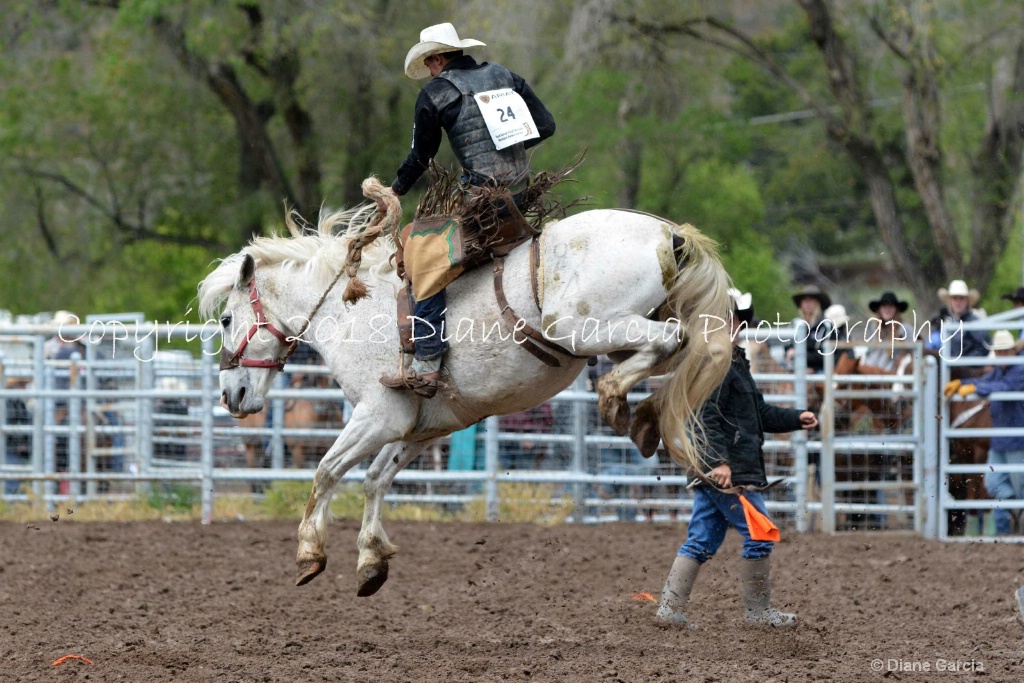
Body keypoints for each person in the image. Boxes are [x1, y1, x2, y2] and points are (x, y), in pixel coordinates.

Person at [380, 23, 556, 398]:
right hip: (523, 193)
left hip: (485, 202)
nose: (430, 71)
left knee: (424, 257)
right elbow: (546, 125)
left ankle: (426, 362)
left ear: (438, 58)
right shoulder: (506, 76)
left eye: (430, 63)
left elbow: (420, 157)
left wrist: (395, 190)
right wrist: (508, 144)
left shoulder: (436, 93)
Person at [657, 294, 818, 628]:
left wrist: (794, 418)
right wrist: (719, 462)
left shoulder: (730, 361)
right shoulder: (718, 362)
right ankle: (757, 613)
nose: (734, 325)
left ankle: (669, 610)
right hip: (729, 472)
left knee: (701, 540)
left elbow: (757, 414)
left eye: (734, 320)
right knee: (760, 534)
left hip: (720, 469)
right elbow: (704, 415)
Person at [944, 330, 1024, 535]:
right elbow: (987, 381)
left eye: (1006, 351)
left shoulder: (1019, 370)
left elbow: (1004, 387)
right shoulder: (1000, 370)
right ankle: (1012, 518)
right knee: (992, 483)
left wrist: (974, 388)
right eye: (999, 352)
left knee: (1017, 487)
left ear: (1014, 351)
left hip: (1016, 439)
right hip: (1001, 440)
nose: (1002, 355)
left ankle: (1014, 515)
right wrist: (962, 384)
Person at [926, 279, 990, 358]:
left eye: (961, 298)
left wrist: (965, 362)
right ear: (950, 301)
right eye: (955, 298)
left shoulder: (974, 322)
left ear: (967, 301)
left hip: (968, 367)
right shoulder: (951, 322)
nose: (958, 302)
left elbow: (985, 347)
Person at [784, 284, 831, 372]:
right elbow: (787, 347)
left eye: (811, 300)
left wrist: (799, 354)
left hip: (818, 371)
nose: (807, 304)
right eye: (805, 301)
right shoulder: (794, 324)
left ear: (818, 303)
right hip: (795, 369)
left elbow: (825, 354)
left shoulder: (826, 326)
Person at [862, 291, 911, 371]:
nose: (887, 310)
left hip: (892, 374)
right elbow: (869, 352)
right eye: (884, 306)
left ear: (896, 309)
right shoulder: (873, 327)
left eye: (891, 306)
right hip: (871, 372)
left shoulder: (904, 328)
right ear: (880, 309)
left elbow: (912, 353)